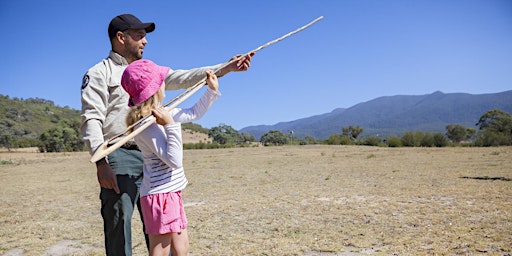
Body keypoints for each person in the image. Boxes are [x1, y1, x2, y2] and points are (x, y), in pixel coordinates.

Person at [80, 13, 253, 256]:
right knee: (119, 221)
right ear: (121, 38)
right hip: (119, 155)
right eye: (139, 36)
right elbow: (92, 118)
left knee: (156, 229)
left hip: (152, 158)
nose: (145, 41)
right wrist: (101, 162)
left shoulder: (149, 70)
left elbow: (184, 77)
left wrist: (226, 68)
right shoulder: (99, 73)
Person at [122, 59, 220, 256]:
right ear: (155, 88)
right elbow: (173, 160)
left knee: (181, 247)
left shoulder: (163, 113)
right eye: (161, 79)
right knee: (160, 250)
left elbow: (194, 113)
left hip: (171, 191)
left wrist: (211, 91)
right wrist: (170, 125)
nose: (165, 82)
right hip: (160, 196)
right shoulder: (146, 125)